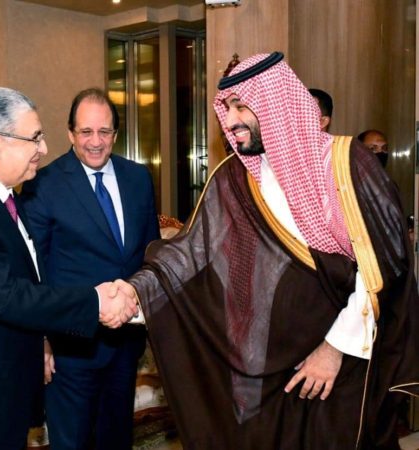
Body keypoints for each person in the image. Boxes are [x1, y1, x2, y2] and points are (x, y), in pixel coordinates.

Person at [121, 53, 419, 449]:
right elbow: (190, 253)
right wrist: (132, 292)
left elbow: (384, 264)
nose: (230, 121)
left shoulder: (347, 163)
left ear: (275, 103)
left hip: (341, 359)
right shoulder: (233, 177)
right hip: (265, 362)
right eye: (226, 108)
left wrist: (334, 348)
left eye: (240, 106)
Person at [0, 87, 138, 450]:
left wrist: (41, 341)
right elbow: (6, 295)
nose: (43, 149)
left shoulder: (4, 198)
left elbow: (30, 277)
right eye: (34, 138)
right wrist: (95, 302)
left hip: (3, 390)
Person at [21, 88, 160, 450]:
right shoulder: (42, 185)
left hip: (126, 343)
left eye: (104, 131)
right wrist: (40, 341)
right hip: (71, 349)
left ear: (116, 134)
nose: (95, 142)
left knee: (117, 440)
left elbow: (151, 254)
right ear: (70, 133)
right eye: (86, 132)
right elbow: (32, 271)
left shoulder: (138, 178)